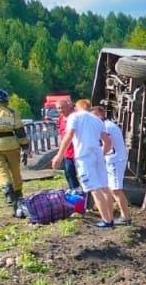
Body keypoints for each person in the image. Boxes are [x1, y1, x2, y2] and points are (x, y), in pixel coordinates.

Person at [53, 99, 117, 229]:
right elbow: (108, 143)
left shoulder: (74, 117)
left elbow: (69, 136)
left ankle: (106, 221)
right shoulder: (97, 120)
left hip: (84, 157)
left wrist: (59, 155)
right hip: (97, 155)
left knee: (94, 189)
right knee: (105, 188)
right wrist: (101, 154)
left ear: (77, 107)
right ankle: (110, 217)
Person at [92, 105, 131, 225]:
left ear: (100, 115)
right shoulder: (108, 125)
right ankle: (108, 213)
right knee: (109, 188)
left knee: (116, 190)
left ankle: (126, 217)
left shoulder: (106, 127)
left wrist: (99, 157)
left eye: (93, 117)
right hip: (114, 159)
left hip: (115, 160)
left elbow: (107, 145)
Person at [54, 96, 79, 191]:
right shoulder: (60, 118)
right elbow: (61, 134)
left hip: (76, 150)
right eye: (58, 108)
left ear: (68, 106)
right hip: (66, 151)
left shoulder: (74, 117)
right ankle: (74, 190)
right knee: (68, 172)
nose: (61, 110)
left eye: (62, 107)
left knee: (81, 173)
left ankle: (84, 192)